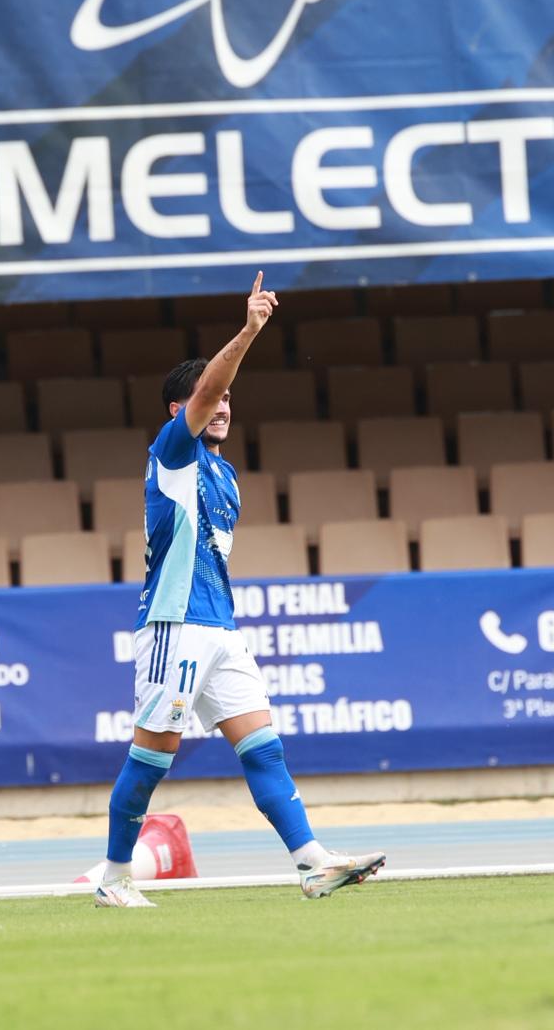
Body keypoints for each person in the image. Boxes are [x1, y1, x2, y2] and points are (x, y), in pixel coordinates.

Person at [94, 272, 386, 908]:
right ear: (179, 410)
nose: (224, 405)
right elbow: (206, 392)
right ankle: (113, 879)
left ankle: (311, 863)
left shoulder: (224, 475)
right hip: (174, 625)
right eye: (212, 398)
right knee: (153, 758)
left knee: (264, 748)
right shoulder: (173, 454)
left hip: (220, 630)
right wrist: (250, 330)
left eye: (230, 398)